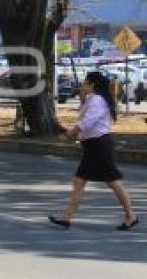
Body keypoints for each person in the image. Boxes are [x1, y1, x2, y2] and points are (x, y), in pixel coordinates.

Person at [49, 71, 139, 230]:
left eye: (85, 83)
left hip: (99, 145)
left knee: (113, 181)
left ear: (92, 85)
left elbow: (88, 121)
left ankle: (130, 215)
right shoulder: (93, 99)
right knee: (80, 181)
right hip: (92, 145)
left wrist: (70, 133)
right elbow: (86, 117)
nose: (82, 85)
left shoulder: (97, 100)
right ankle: (67, 217)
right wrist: (83, 99)